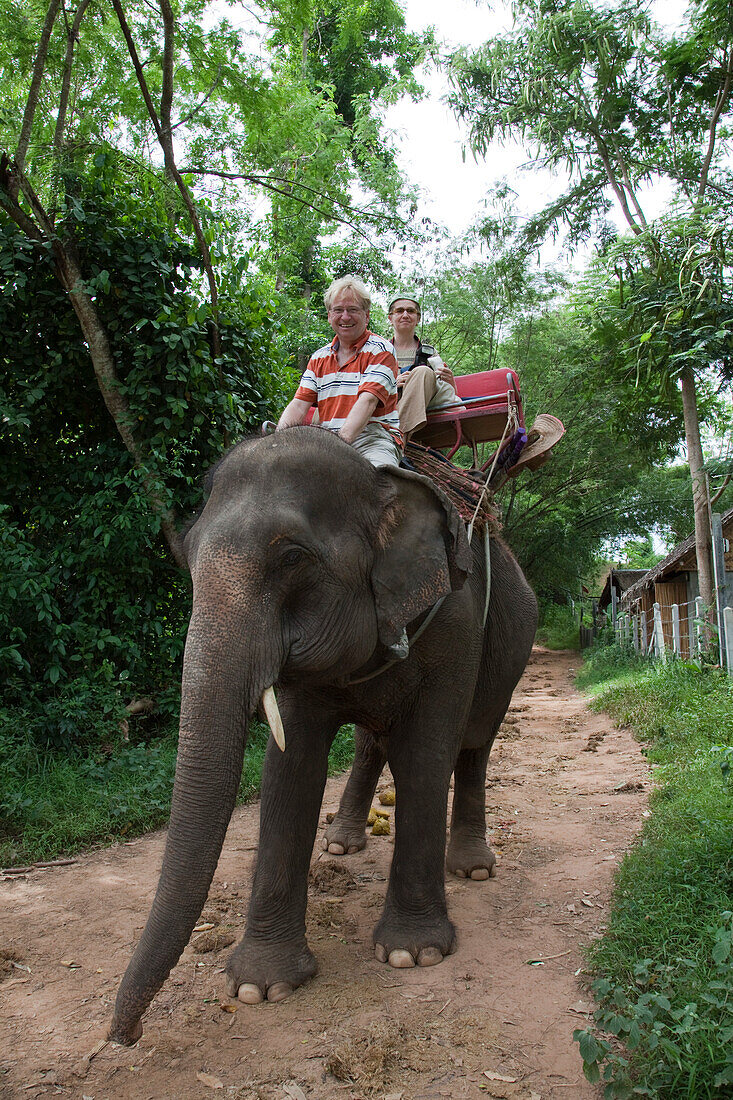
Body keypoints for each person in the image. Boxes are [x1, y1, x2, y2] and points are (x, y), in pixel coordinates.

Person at [277, 276, 402, 468]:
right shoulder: (319, 357)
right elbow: (299, 405)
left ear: (367, 316)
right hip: (328, 442)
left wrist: (337, 448)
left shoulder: (381, 350)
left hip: (373, 439)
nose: (345, 317)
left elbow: (367, 402)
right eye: (338, 310)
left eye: (353, 310)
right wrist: (276, 443)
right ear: (329, 315)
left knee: (378, 481)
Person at [388, 295, 461, 440]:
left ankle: (394, 439)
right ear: (390, 318)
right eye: (399, 311)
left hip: (427, 403)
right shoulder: (381, 351)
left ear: (418, 318)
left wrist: (450, 381)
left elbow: (448, 392)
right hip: (392, 401)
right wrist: (393, 384)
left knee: (423, 371)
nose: (405, 315)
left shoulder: (429, 352)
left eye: (410, 311)